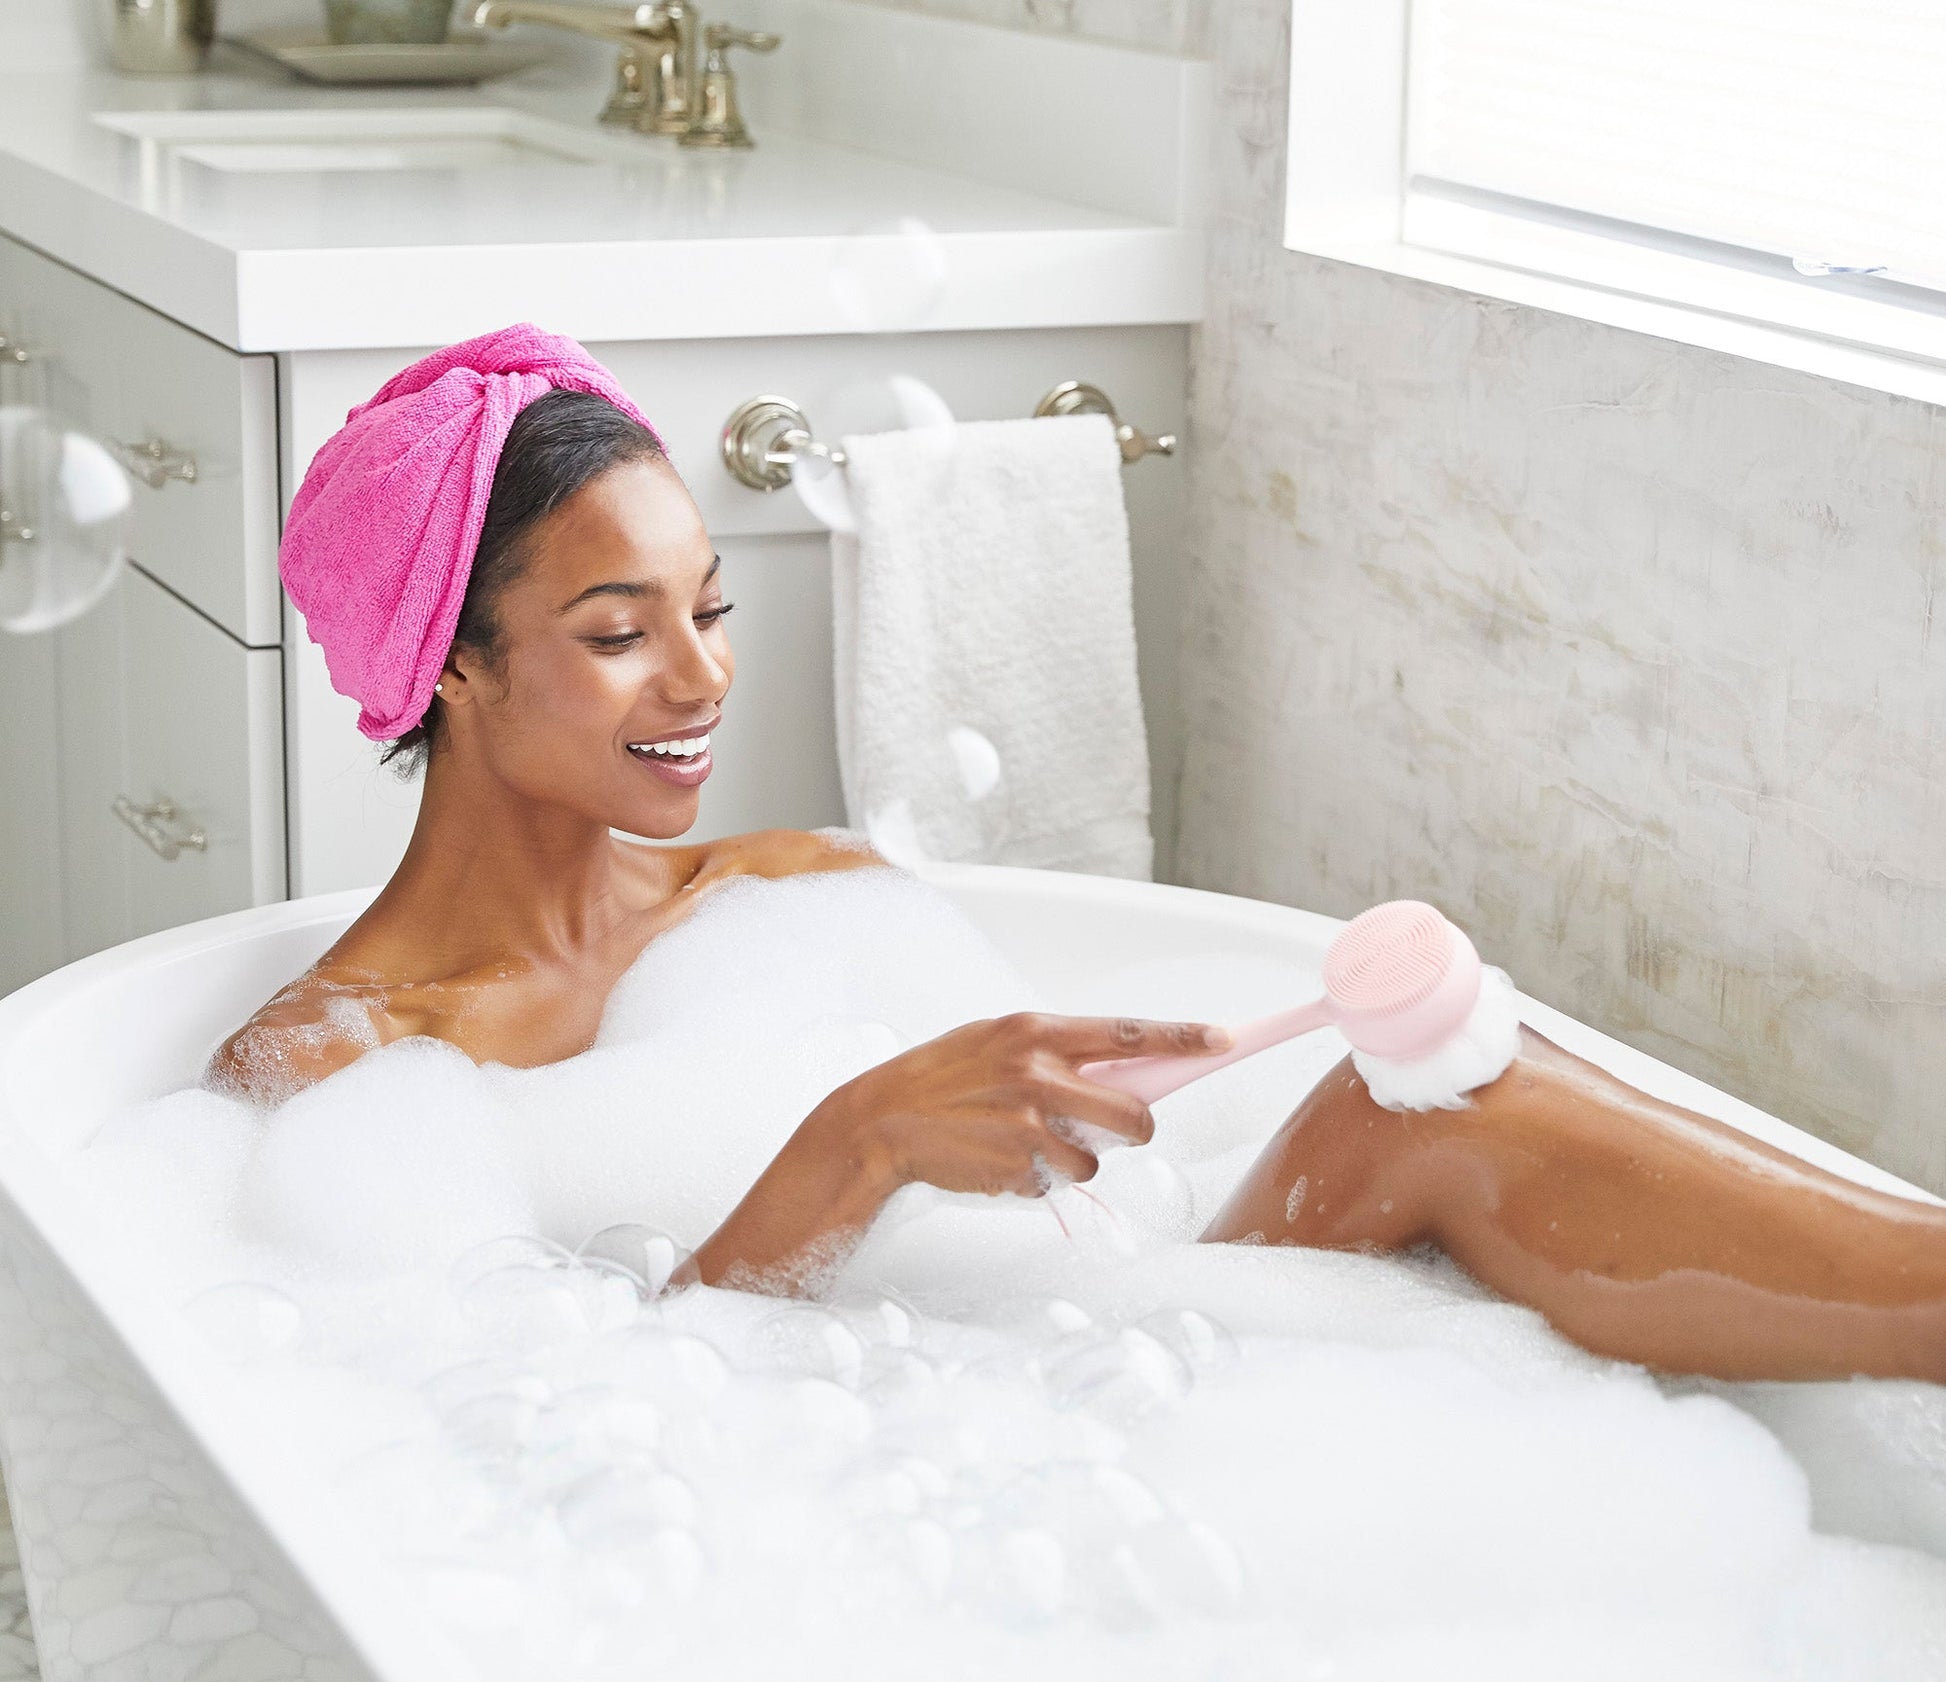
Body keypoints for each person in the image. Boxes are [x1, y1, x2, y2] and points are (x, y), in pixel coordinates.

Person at [216, 326, 1946, 1384]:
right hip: (898, 1502)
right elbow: (544, 1443)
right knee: (1434, 1112)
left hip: (1094, 1378)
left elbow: (1116, 1202)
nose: (704, 676)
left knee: (1431, 1080)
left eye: (713, 609)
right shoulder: (338, 1068)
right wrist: (855, 1143)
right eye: (617, 632)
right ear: (448, 668)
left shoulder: (790, 890)